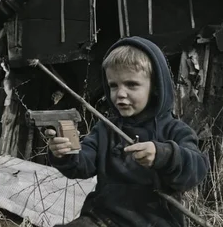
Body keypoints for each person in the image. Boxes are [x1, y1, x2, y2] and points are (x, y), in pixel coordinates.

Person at [45, 36, 210, 227]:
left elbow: (196, 170)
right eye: (113, 85)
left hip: (156, 222)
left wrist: (164, 155)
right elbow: (82, 166)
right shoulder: (105, 129)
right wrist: (65, 154)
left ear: (155, 87)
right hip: (102, 219)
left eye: (131, 84)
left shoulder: (175, 130)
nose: (120, 93)